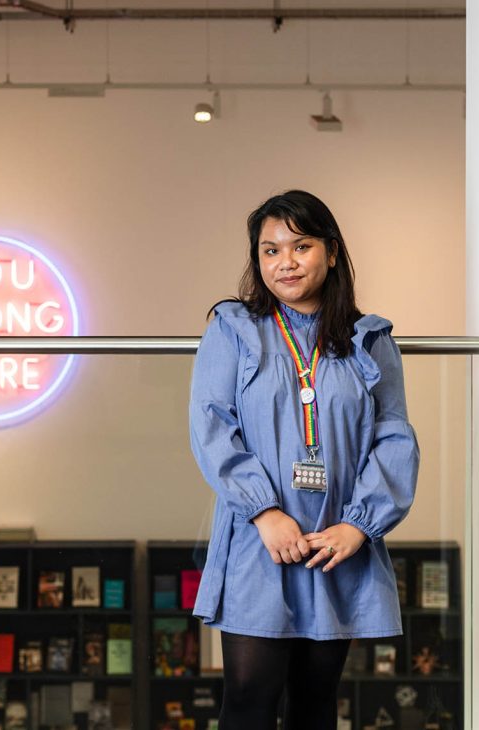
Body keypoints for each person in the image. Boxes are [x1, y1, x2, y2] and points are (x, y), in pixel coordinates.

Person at [189, 190, 419, 730]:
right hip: (258, 534)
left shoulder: (370, 339)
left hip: (334, 540)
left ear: (332, 252)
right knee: (248, 694)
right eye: (269, 251)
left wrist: (358, 527)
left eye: (301, 245)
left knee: (316, 699)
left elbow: (394, 438)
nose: (284, 262)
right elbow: (211, 425)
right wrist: (265, 513)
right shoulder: (233, 329)